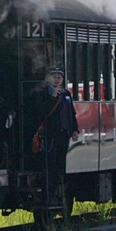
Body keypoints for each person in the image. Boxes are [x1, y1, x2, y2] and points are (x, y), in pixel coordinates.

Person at [36, 66, 78, 208]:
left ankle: (59, 194)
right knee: (50, 167)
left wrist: (74, 129)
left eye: (59, 77)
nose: (56, 79)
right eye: (54, 77)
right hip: (51, 135)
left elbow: (71, 113)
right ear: (49, 78)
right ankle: (50, 195)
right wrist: (52, 97)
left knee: (60, 166)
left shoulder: (66, 94)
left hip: (63, 134)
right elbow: (41, 111)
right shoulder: (44, 93)